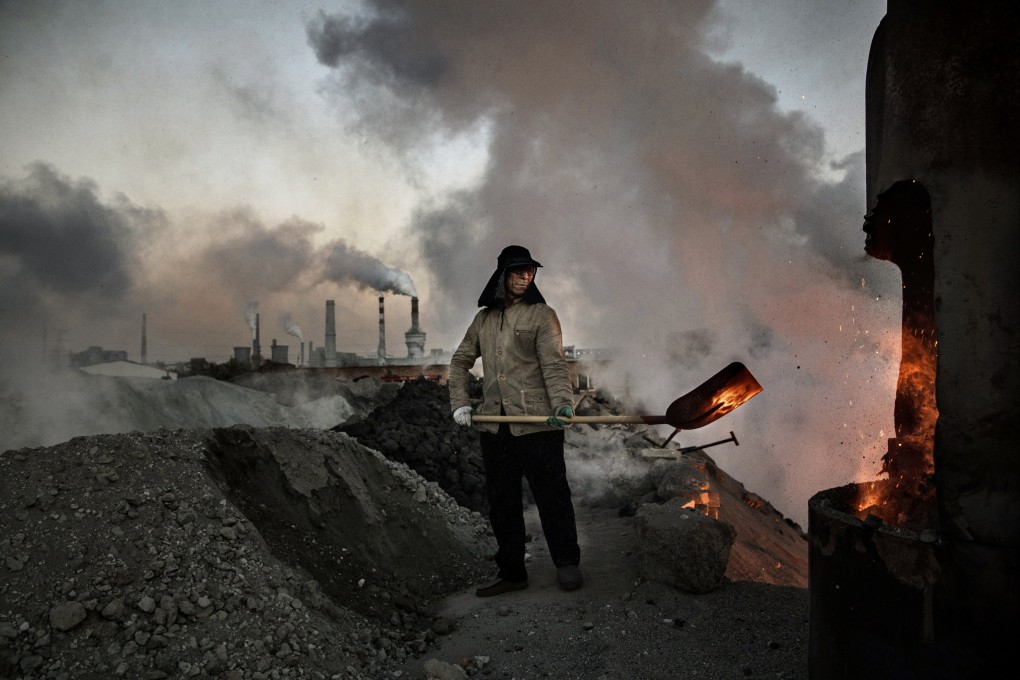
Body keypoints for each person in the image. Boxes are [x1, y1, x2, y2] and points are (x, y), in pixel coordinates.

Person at [448, 245, 583, 596]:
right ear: (502, 274)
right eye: (519, 271)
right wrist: (460, 403)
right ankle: (512, 573)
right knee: (502, 502)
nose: (527, 276)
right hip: (495, 426)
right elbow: (459, 361)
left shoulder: (542, 315)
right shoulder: (483, 320)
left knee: (552, 496)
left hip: (539, 423)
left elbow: (554, 365)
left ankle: (567, 564)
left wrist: (564, 405)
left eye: (531, 271)